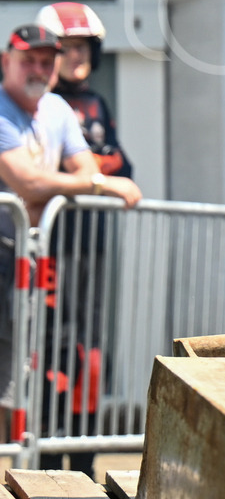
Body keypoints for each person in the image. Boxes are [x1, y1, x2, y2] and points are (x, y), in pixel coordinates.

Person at [0, 24, 142, 447]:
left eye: (47, 61)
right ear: (6, 62)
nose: (38, 69)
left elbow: (81, 169)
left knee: (17, 367)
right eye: (28, 60)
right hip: (9, 250)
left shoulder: (57, 107)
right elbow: (28, 184)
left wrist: (56, 186)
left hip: (22, 255)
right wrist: (97, 187)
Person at [35, 2, 133, 180]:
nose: (75, 55)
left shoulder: (97, 102)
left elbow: (123, 167)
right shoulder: (36, 101)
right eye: (65, 48)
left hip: (92, 205)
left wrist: (93, 163)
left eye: (81, 47)